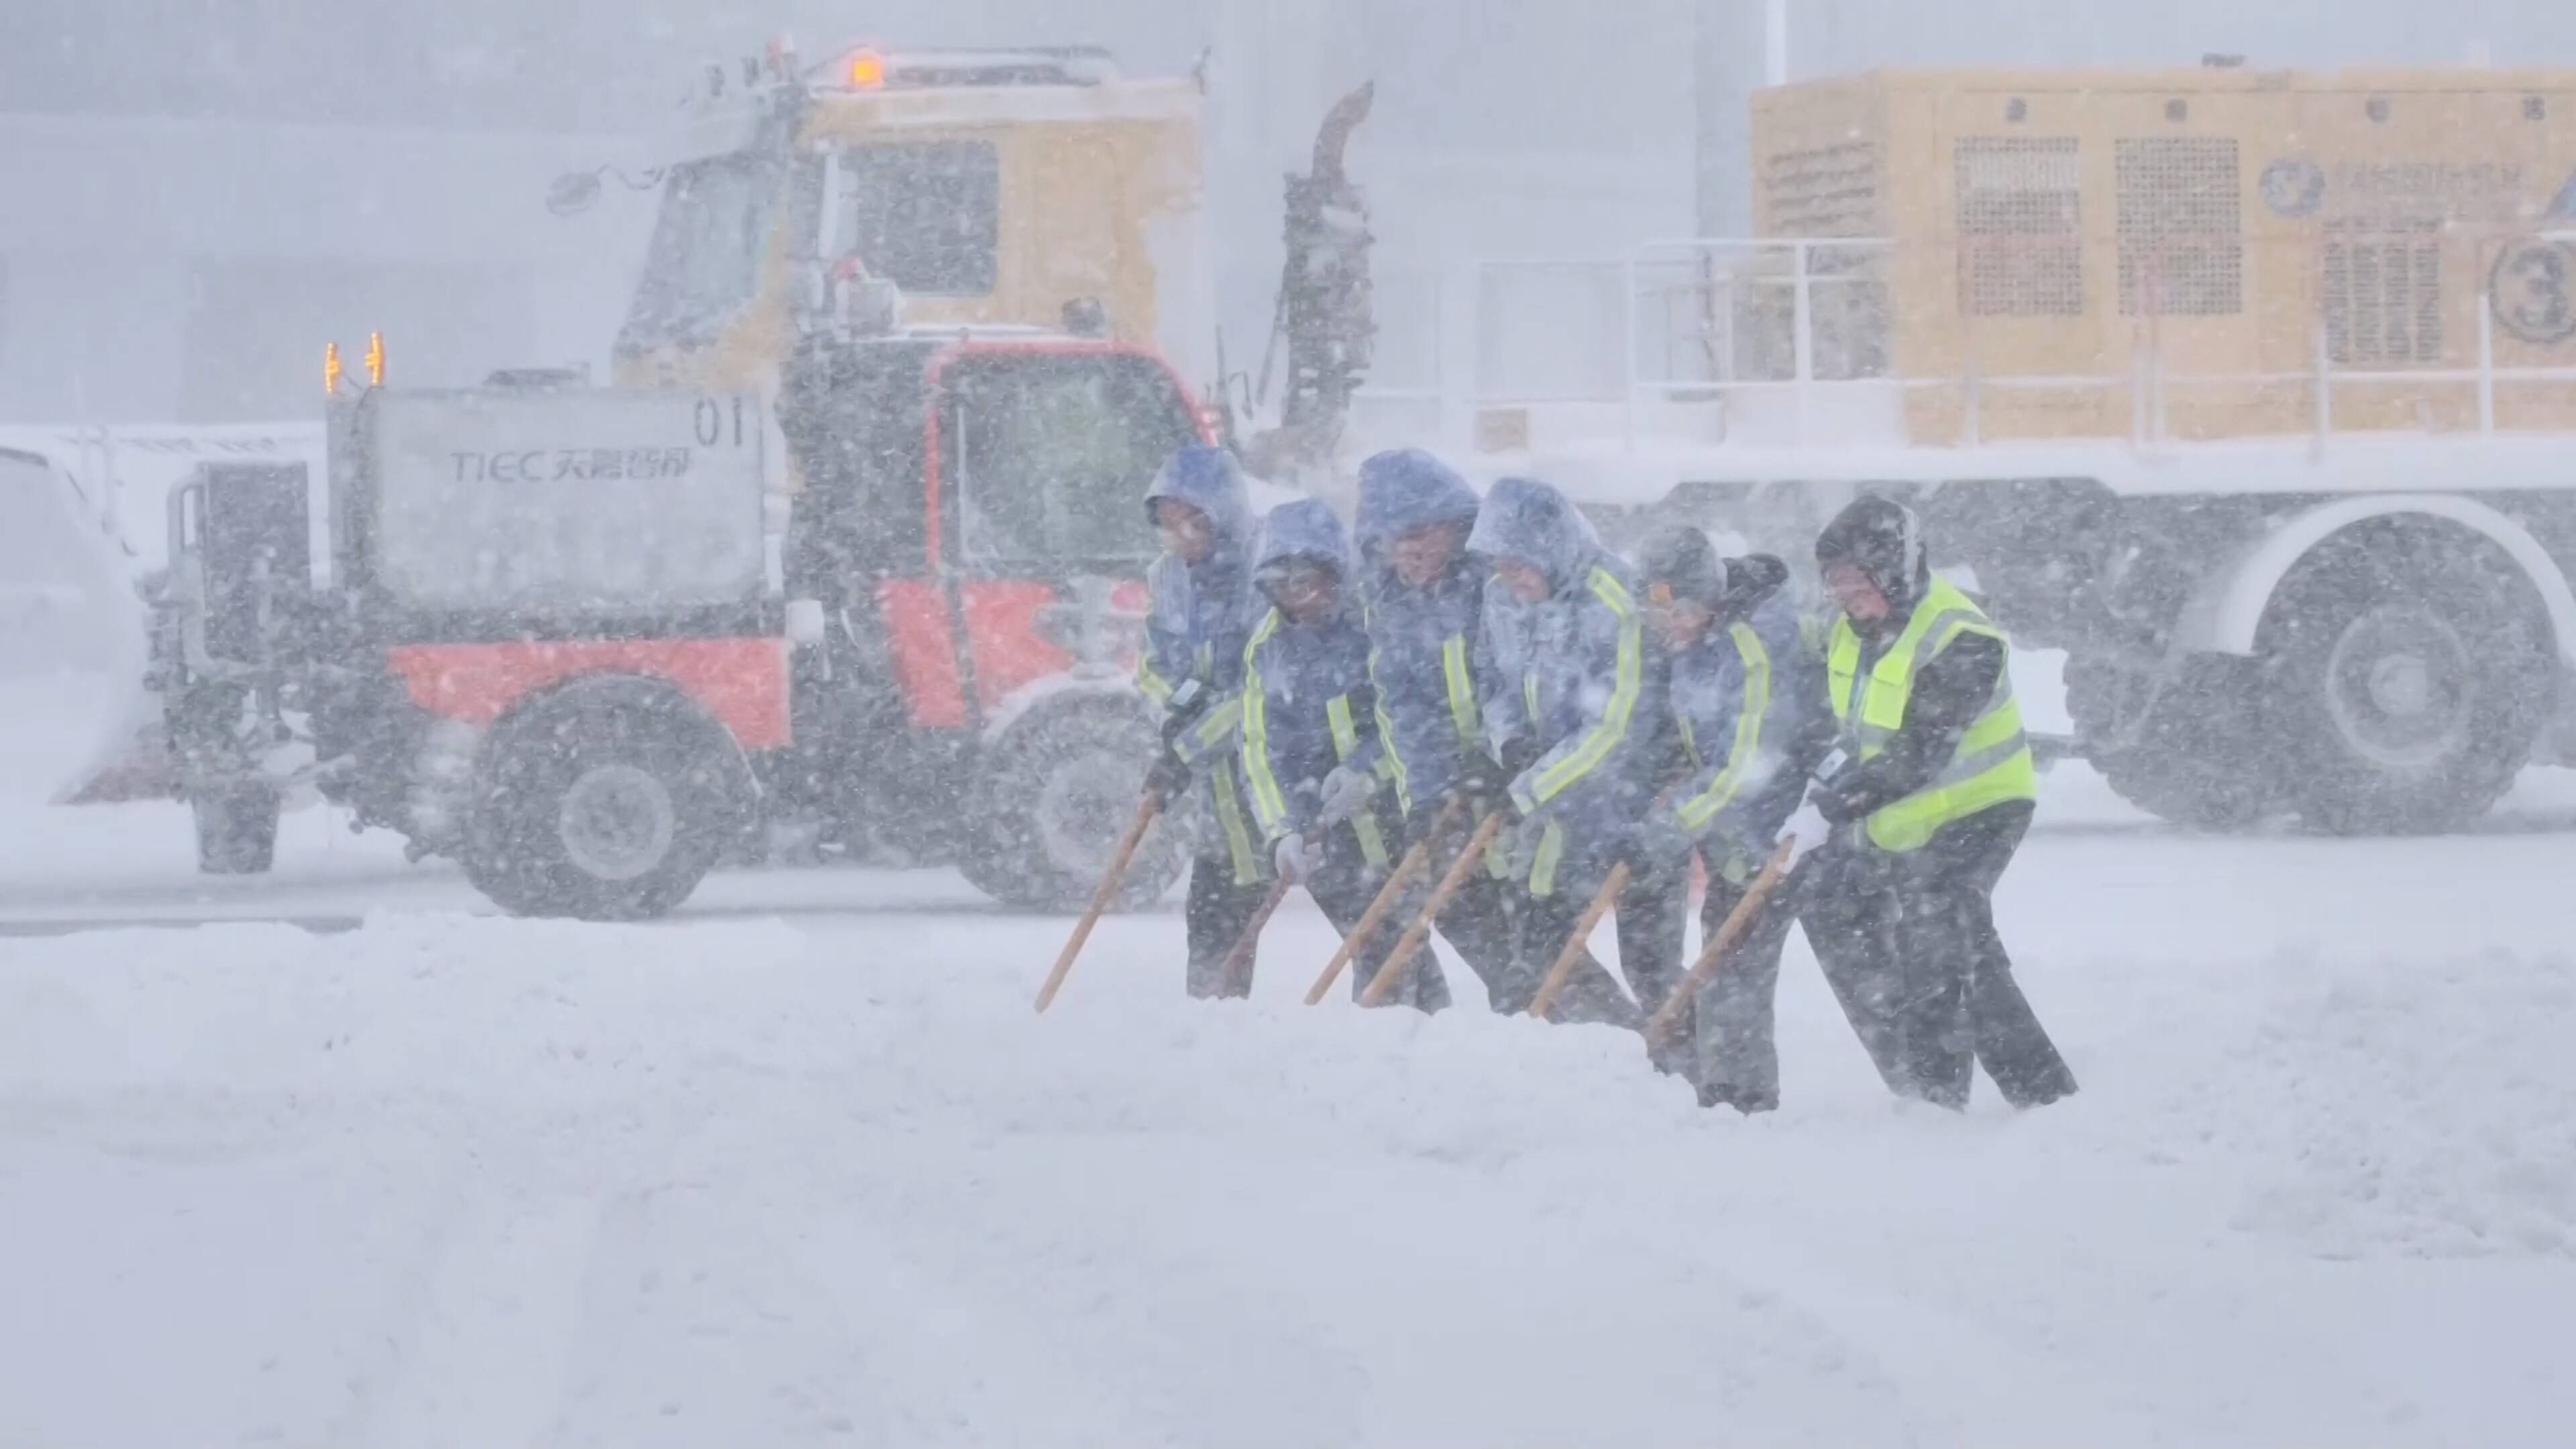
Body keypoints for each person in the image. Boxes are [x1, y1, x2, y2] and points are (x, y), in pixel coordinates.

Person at [1790, 496, 2079, 1109]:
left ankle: (2021, 1096)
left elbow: (1919, 750)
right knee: (1833, 907)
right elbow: (1817, 700)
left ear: (1893, 569)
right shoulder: (1846, 631)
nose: (1843, 593)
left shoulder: (1962, 636)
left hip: (1979, 807)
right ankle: (1923, 1084)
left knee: (1943, 927)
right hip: (1897, 818)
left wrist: (1838, 804)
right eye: (1834, 579)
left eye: (1855, 578)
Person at [1619, 527, 1831, 1112]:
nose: (1669, 625)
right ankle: (1724, 1092)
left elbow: (1748, 762)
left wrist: (1673, 823)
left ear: (1709, 597)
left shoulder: (1757, 642)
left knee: (1740, 970)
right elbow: (1697, 737)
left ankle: (1746, 1102)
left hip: (1783, 832)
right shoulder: (1693, 644)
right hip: (1731, 837)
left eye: (1681, 610)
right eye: (1656, 613)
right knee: (1725, 968)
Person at [1236, 498, 1437, 1007]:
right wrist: (1284, 828)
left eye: (1305, 583)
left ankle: (1409, 1039)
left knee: (1400, 944)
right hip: (1325, 834)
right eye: (1283, 588)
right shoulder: (1268, 647)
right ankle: (1408, 1037)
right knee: (1374, 945)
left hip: (1394, 817)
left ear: (1334, 573)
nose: (1298, 600)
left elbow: (1411, 715)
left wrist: (1369, 772)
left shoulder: (1377, 623)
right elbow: (1262, 749)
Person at [1466, 476, 1651, 1026]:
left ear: (1551, 548)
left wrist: (1532, 786)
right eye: (1502, 564)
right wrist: (1510, 742)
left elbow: (1613, 726)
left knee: (1603, 948)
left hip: (1607, 801)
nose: (1511, 579)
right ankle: (1593, 1045)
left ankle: (1644, 1049)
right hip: (1539, 797)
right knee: (1533, 934)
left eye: (1520, 565)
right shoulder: (1499, 598)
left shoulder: (1613, 600)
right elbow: (1491, 680)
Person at [1350, 449, 1519, 1007]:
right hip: (1454, 789)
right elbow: (1404, 705)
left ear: (1452, 525)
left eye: (1419, 534)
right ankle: (1526, 1020)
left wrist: (1497, 754)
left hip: (1516, 778)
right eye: (1395, 540)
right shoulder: (1392, 605)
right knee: (1462, 908)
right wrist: (1424, 792)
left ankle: (1596, 1039)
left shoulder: (1493, 583)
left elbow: (1512, 679)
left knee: (1537, 925)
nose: (1408, 553)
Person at [1137, 444, 1269, 998]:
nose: (1181, 539)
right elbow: (1154, 663)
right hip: (1212, 782)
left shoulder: (1264, 576)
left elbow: (1256, 693)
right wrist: (1184, 700)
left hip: (1261, 770)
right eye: (1169, 527)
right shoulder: (1168, 579)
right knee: (1213, 896)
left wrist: (1186, 749)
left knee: (1250, 886)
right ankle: (1211, 1010)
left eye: (1192, 523)